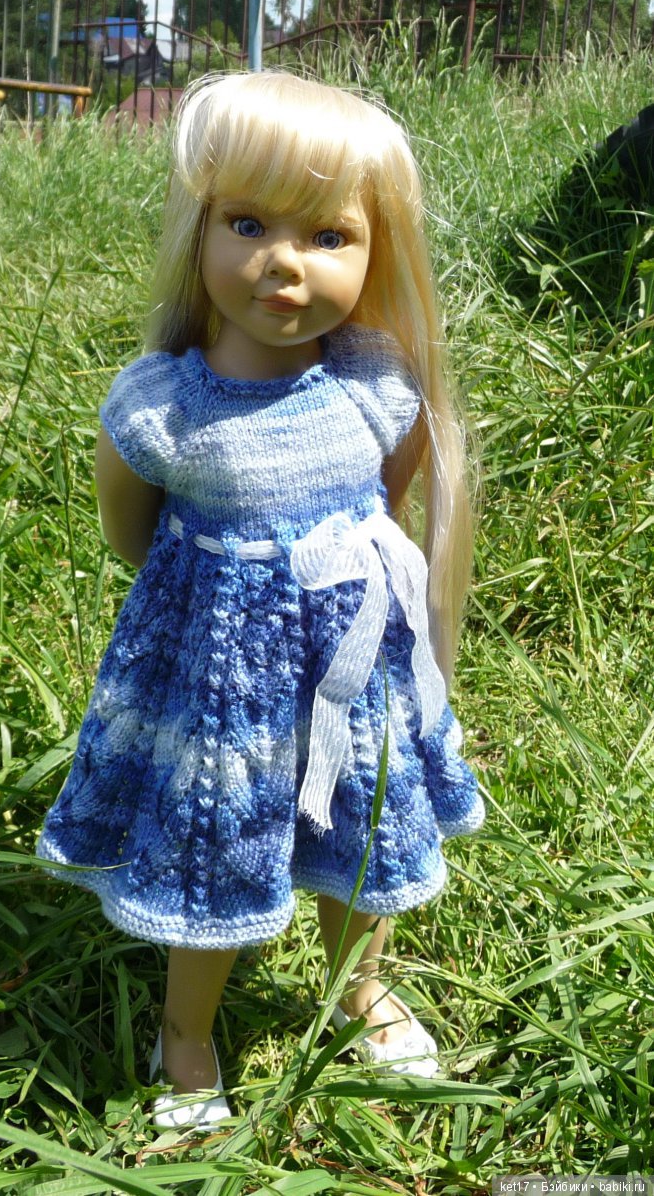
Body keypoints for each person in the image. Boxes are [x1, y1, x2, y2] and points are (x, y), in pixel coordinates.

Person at [37, 70, 485, 1131]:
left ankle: (361, 989)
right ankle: (186, 1035)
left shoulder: (377, 384)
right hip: (218, 678)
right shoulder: (162, 410)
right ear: (197, 230)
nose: (284, 262)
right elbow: (132, 537)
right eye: (248, 223)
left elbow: (382, 509)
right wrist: (218, 596)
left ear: (376, 253)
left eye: (328, 236)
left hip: (352, 666)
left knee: (360, 833)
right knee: (212, 844)